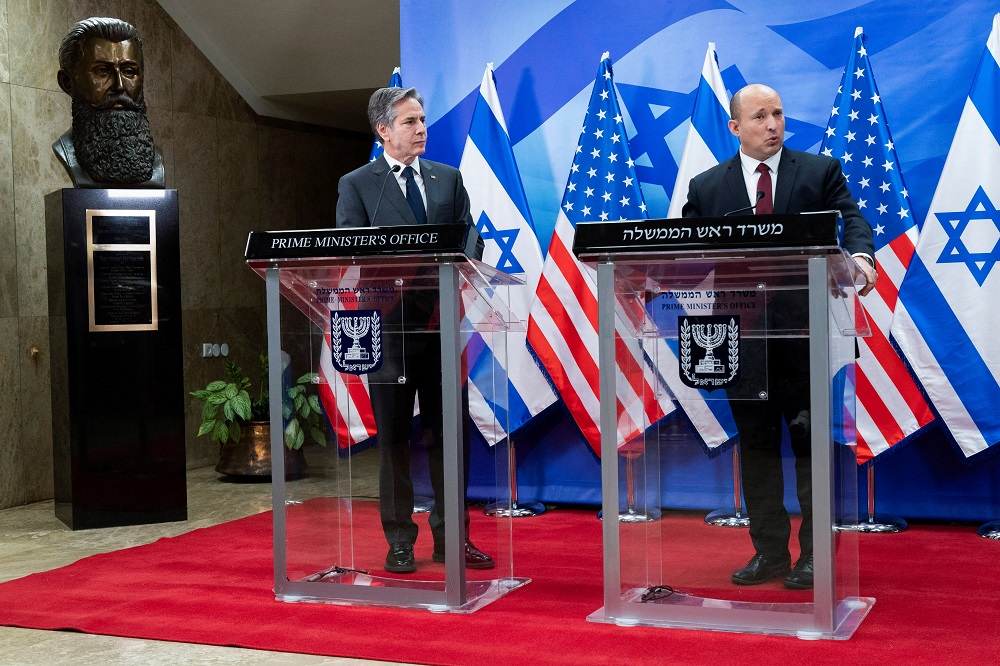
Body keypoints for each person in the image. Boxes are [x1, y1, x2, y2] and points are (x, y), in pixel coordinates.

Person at [683, 84, 877, 590]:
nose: (773, 124)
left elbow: (851, 218)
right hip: (738, 336)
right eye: (761, 116)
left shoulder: (818, 171)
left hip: (804, 332)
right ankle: (769, 553)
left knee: (809, 446)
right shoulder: (707, 187)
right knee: (758, 446)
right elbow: (686, 252)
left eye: (779, 114)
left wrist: (860, 256)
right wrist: (651, 279)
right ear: (735, 127)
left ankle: (815, 556)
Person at [336, 87, 494, 574]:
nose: (421, 128)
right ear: (383, 130)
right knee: (395, 442)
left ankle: (453, 540)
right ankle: (399, 539)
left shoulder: (447, 179)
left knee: (449, 436)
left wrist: (461, 257)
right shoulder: (358, 183)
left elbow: (473, 239)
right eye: (409, 122)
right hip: (388, 331)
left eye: (423, 119)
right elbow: (350, 250)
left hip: (440, 326)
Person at [54, 17, 164, 188]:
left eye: (129, 71)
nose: (119, 86)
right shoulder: (65, 150)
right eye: (103, 71)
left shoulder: (157, 159)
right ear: (68, 82)